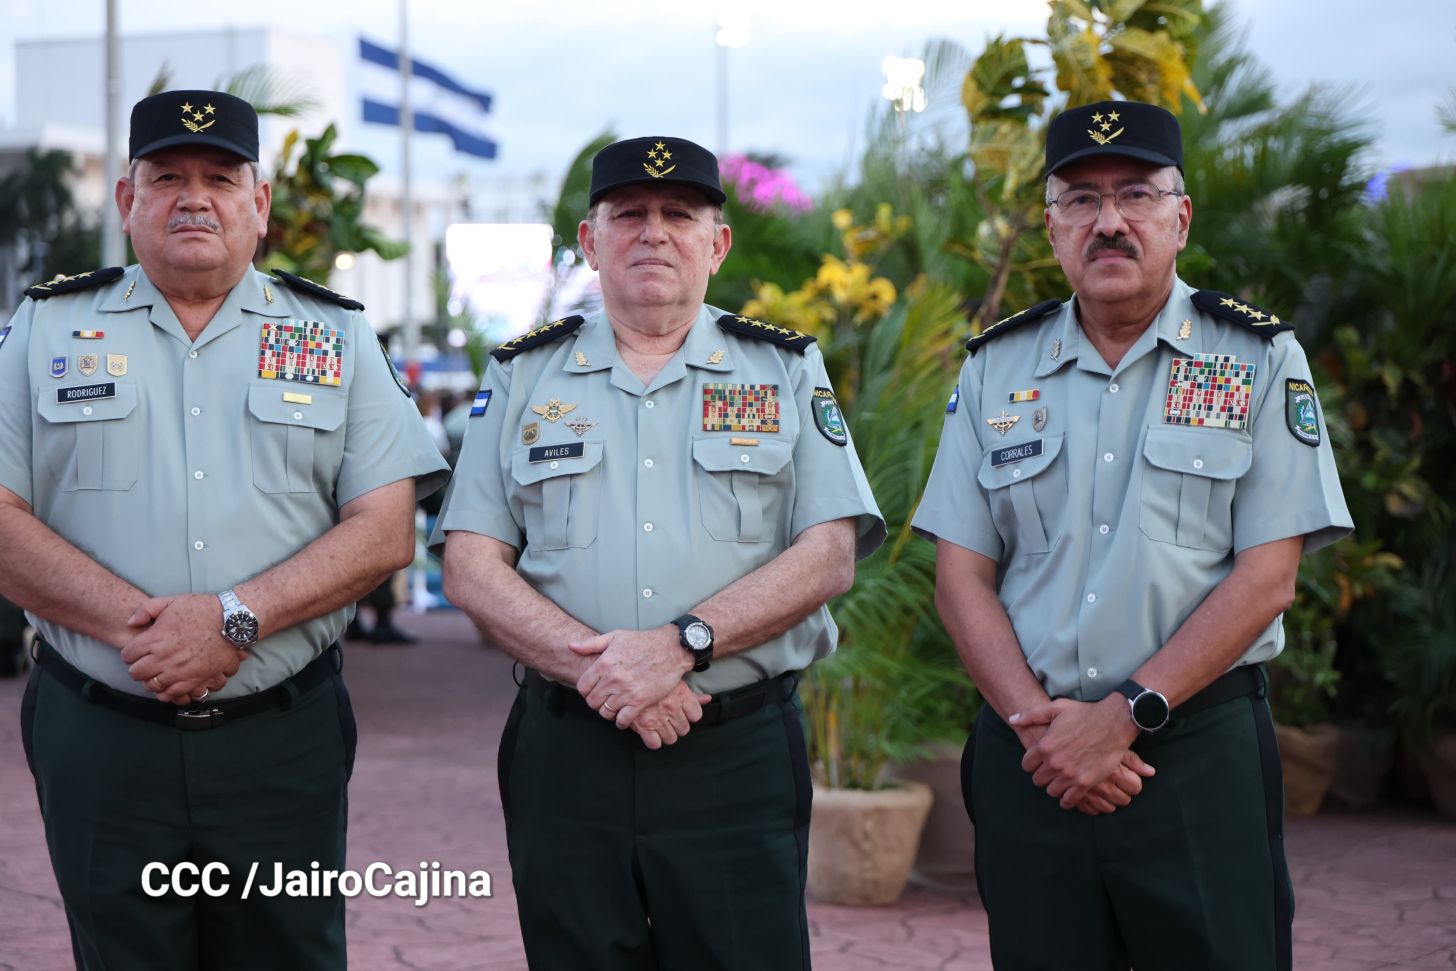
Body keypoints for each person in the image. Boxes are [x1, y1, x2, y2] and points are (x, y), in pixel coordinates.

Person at [0, 90, 449, 969]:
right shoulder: (43, 330)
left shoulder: (336, 337)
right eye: (167, 177)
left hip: (281, 741)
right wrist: (157, 633)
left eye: (220, 177)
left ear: (261, 204)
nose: (194, 197)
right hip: (102, 737)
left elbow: (387, 527)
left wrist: (233, 617)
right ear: (128, 203)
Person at [912, 100, 1353, 971]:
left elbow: (1267, 578)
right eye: (1080, 199)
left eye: (1137, 195)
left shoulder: (1257, 360)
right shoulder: (995, 367)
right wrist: (1043, 733)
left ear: (1180, 217)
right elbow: (960, 576)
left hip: (1189, 761)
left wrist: (1124, 716)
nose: (1109, 221)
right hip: (1032, 765)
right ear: (1050, 227)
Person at [434, 135, 883, 969]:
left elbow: (829, 554)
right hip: (567, 755)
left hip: (731, 753)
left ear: (717, 243)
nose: (653, 232)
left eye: (679, 214)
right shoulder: (524, 376)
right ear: (589, 240)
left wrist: (677, 647)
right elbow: (469, 562)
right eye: (628, 215)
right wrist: (613, 678)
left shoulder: (783, 370)